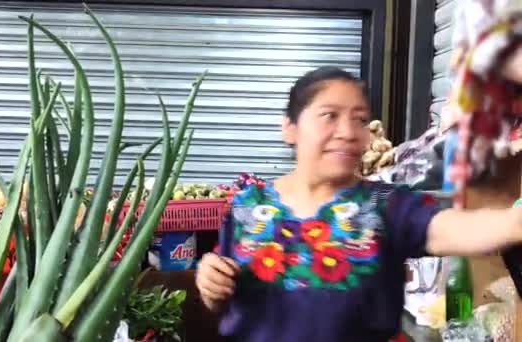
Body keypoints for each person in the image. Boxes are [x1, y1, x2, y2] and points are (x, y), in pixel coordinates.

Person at [194, 66, 522, 341]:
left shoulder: (386, 205)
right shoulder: (247, 206)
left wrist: (513, 222)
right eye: (329, 116)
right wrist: (210, 285)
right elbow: (222, 297)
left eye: (360, 119)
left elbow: (455, 228)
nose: (349, 132)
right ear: (290, 128)